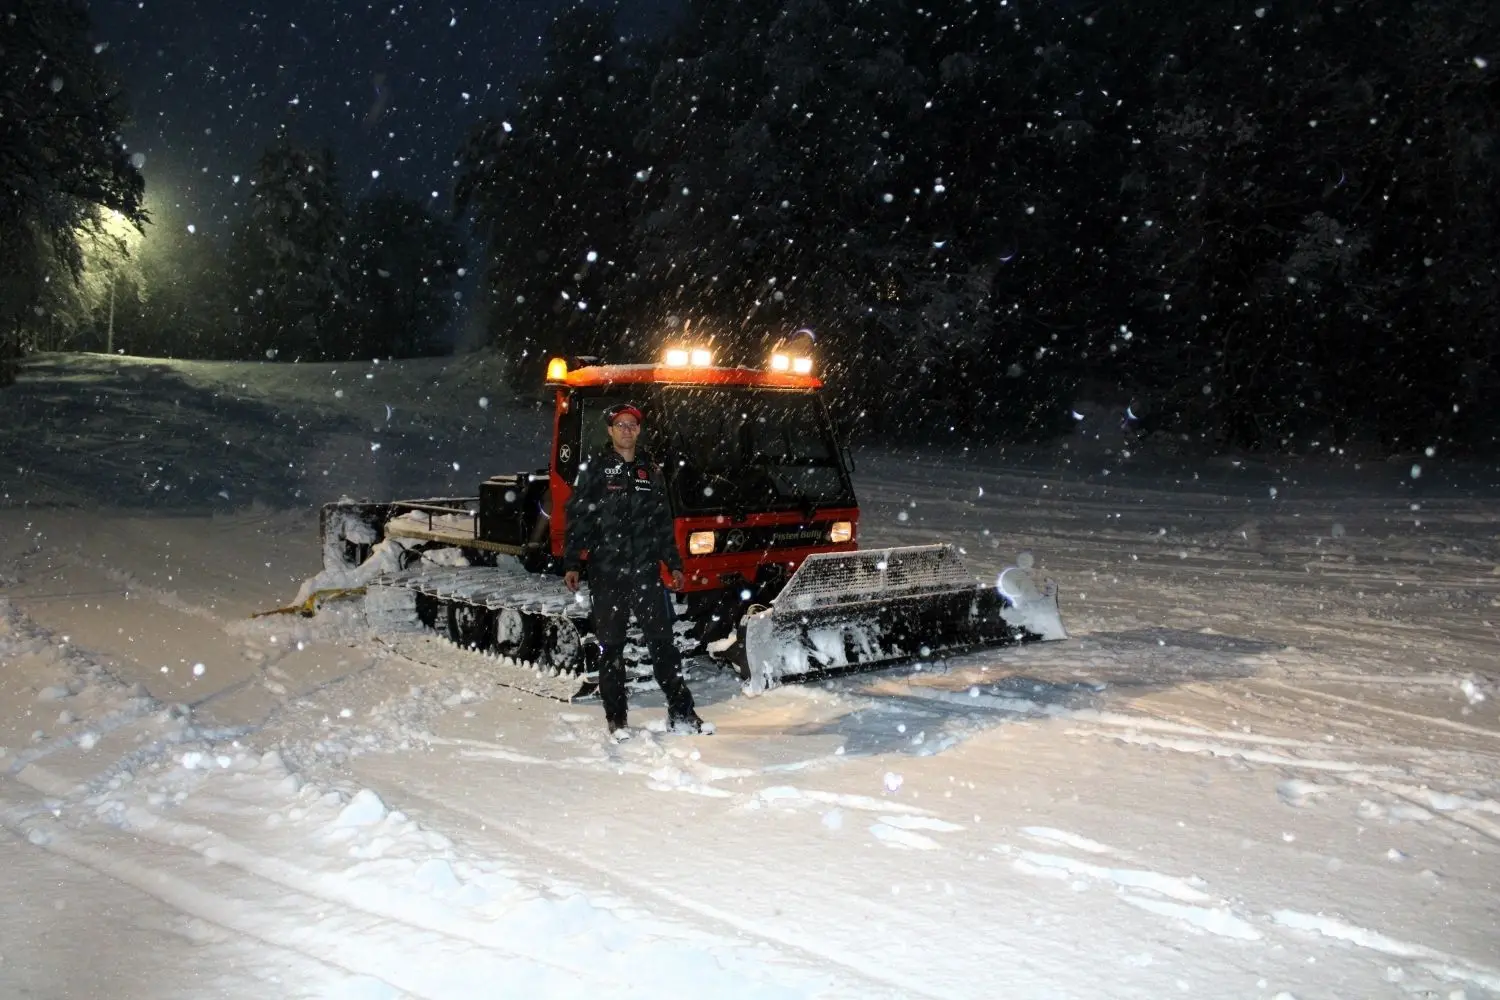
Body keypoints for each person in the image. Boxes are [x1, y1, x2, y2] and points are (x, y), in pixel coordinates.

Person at [563, 402, 710, 738]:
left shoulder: (650, 469)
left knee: (663, 644)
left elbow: (662, 523)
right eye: (620, 425)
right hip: (607, 573)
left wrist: (673, 563)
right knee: (611, 648)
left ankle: (683, 713)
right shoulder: (596, 468)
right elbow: (579, 518)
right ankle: (617, 720)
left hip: (645, 573)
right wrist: (573, 562)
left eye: (632, 424)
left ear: (639, 430)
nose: (627, 430)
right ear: (610, 430)